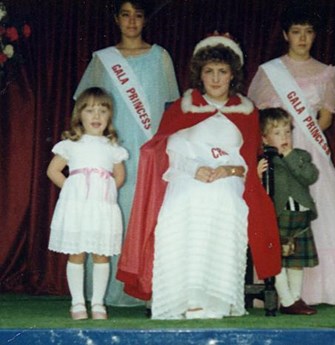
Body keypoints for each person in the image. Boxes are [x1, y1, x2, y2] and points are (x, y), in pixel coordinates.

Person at [117, 33, 281, 319]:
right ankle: (183, 297)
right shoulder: (185, 106)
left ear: (233, 75)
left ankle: (215, 298)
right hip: (185, 174)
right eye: (209, 72)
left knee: (225, 203)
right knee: (181, 205)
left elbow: (247, 160)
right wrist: (195, 169)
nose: (216, 79)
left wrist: (227, 170)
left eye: (222, 72)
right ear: (200, 75)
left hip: (229, 178)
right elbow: (170, 149)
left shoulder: (247, 111)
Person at [248, 5, 335, 305]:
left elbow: (325, 119)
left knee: (322, 209)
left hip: (309, 149)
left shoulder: (326, 73)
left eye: (308, 32)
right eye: (296, 32)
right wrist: (280, 140)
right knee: (281, 212)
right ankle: (283, 290)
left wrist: (300, 135)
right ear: (286, 34)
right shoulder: (270, 71)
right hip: (279, 147)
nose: (302, 38)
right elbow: (260, 115)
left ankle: (326, 289)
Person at [74, 0, 180, 306]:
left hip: (149, 150)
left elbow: (170, 109)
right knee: (109, 213)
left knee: (148, 213)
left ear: (145, 20)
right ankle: (103, 293)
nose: (131, 21)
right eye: (125, 15)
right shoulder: (102, 59)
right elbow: (85, 106)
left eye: (138, 15)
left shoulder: (161, 56)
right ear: (116, 19)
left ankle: (148, 289)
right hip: (110, 151)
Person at [47, 87, 129, 320]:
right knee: (77, 253)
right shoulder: (72, 144)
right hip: (78, 208)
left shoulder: (112, 147)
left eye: (102, 111)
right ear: (79, 115)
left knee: (101, 255)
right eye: (90, 111)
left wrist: (105, 190)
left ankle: (99, 303)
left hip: (101, 208)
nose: (96, 116)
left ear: (109, 116)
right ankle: (78, 304)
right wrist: (74, 190)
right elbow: (53, 171)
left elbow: (119, 176)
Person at [258, 107, 318, 315]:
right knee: (278, 260)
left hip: (300, 216)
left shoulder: (301, 156)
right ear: (264, 139)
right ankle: (287, 299)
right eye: (277, 133)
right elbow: (258, 192)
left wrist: (289, 155)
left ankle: (296, 298)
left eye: (287, 132)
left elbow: (309, 177)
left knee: (296, 261)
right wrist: (257, 174)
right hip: (278, 216)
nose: (284, 136)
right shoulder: (263, 161)